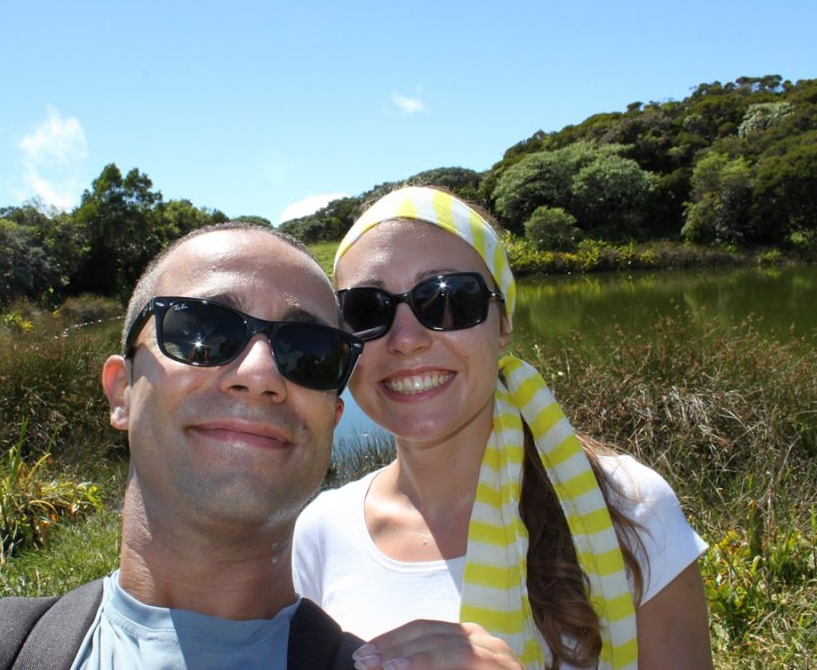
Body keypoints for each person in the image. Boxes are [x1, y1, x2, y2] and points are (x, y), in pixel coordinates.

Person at [0, 223, 365, 669]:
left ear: (332, 418)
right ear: (121, 392)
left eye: (311, 352)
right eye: (202, 330)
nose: (260, 374)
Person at [293, 187, 714, 670]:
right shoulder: (318, 535)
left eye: (449, 299)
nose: (406, 340)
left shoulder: (630, 506)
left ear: (504, 323)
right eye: (365, 310)